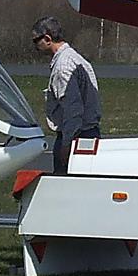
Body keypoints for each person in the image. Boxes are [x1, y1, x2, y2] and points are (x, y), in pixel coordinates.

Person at [32, 16, 101, 174]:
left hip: (76, 137)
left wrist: (67, 144)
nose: (35, 46)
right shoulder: (75, 58)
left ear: (48, 38)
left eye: (36, 41)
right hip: (88, 133)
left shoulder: (63, 67)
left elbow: (73, 110)